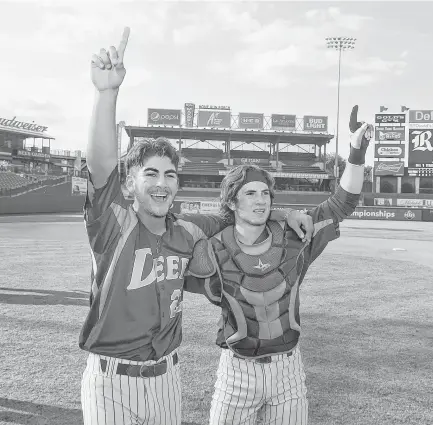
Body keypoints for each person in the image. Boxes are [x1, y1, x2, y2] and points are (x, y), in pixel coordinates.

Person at [81, 27, 314, 425]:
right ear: (130, 183)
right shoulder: (113, 223)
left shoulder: (187, 229)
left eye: (170, 175)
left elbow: (236, 211)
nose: (161, 183)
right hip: (111, 383)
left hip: (168, 378)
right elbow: (101, 167)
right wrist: (107, 95)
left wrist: (282, 213)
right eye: (150, 174)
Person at [185, 105, 372, 425]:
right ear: (232, 202)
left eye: (264, 193)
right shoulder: (213, 248)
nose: (260, 200)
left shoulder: (295, 235)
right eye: (249, 194)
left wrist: (355, 151)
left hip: (288, 372)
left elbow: (342, 203)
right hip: (236, 372)